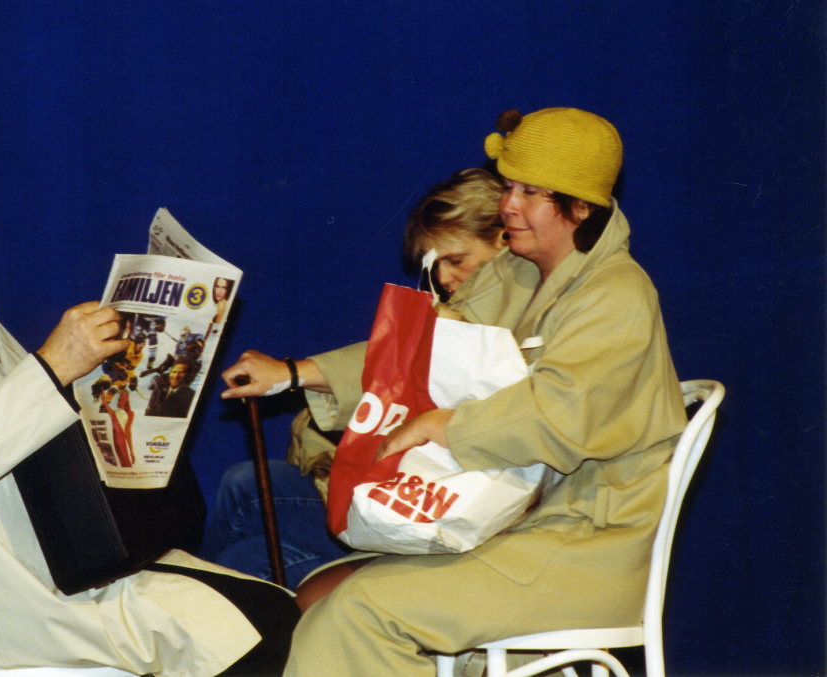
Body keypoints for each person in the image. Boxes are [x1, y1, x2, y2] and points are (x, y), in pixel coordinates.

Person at [0, 114, 299, 676]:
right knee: (264, 631)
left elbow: (11, 421)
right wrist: (53, 366)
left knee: (274, 608)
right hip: (3, 599)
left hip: (62, 556)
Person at [223, 107, 687, 676]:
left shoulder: (616, 296)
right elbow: (422, 352)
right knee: (335, 605)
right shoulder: (517, 272)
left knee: (359, 613)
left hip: (584, 549)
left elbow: (558, 416)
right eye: (509, 187)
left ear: (580, 206)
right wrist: (296, 373)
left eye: (530, 192)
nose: (508, 205)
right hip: (516, 532)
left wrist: (441, 425)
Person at [200, 169, 507, 589]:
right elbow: (393, 366)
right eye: (435, 265)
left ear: (504, 242)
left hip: (441, 525)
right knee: (247, 482)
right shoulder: (456, 314)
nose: (445, 278)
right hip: (401, 501)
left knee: (245, 553)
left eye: (456, 260)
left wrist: (292, 374)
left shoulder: (513, 327)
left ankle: (200, 612)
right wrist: (290, 373)